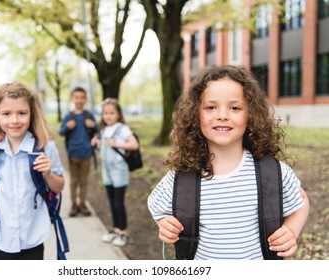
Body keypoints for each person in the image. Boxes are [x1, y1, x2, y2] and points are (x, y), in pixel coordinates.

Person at [148, 65, 310, 260]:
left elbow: (301, 202)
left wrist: (291, 230)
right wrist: (165, 224)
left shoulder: (273, 172)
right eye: (210, 107)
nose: (222, 115)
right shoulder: (182, 176)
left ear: (250, 114)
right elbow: (156, 206)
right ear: (195, 114)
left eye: (235, 107)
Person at [0, 82, 65, 260]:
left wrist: (48, 174)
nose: (14, 120)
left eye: (22, 113)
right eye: (6, 114)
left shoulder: (46, 148)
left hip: (32, 238)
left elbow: (59, 186)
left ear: (31, 114)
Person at [91, 98, 139, 247]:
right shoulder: (104, 129)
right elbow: (105, 149)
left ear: (118, 114)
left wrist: (116, 143)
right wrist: (98, 144)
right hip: (107, 170)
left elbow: (134, 144)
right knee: (112, 202)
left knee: (119, 202)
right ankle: (115, 229)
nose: (108, 116)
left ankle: (123, 232)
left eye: (112, 113)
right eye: (106, 113)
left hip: (119, 170)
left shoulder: (122, 128)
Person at [59, 87, 98, 217]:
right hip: (72, 154)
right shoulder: (69, 116)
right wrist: (67, 127)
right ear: (72, 98)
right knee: (73, 180)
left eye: (82, 97)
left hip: (86, 153)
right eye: (77, 97)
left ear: (85, 99)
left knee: (84, 180)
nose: (79, 100)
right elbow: (61, 132)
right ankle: (73, 204)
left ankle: (82, 203)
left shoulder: (89, 115)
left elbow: (97, 129)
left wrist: (93, 126)